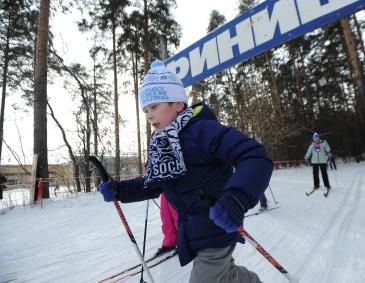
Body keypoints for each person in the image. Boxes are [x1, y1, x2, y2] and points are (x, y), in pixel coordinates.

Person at [99, 60, 273, 283]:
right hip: (194, 230)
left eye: (154, 106)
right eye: (146, 110)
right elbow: (157, 184)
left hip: (219, 220)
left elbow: (255, 156)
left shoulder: (202, 130)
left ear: (178, 105)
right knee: (224, 276)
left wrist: (236, 200)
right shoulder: (163, 143)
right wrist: (121, 190)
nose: (150, 115)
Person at [156, 192, 178, 257]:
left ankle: (184, 241)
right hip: (164, 187)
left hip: (176, 185)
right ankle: (170, 241)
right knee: (165, 214)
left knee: (176, 213)